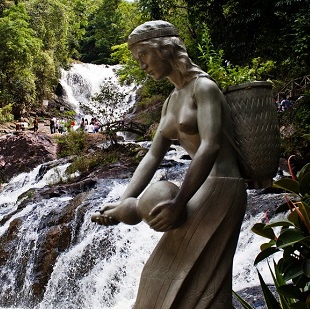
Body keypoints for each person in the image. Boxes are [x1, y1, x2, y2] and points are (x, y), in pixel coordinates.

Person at [91, 20, 247, 308]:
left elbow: (210, 146)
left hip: (222, 188)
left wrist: (178, 204)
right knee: (167, 279)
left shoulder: (205, 88)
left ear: (164, 50)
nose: (141, 65)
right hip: (199, 190)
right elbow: (152, 156)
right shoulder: (170, 101)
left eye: (143, 56)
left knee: (200, 284)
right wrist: (122, 202)